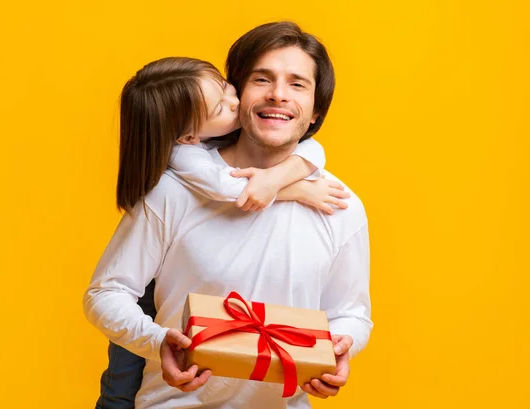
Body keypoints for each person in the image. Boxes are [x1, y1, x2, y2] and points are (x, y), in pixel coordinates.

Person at [85, 21, 372, 409]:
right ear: (236, 90)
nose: (277, 95)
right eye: (262, 79)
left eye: (297, 84)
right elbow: (107, 293)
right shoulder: (174, 189)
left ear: (316, 109)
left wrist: (342, 346)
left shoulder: (340, 205)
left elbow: (352, 314)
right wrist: (155, 341)